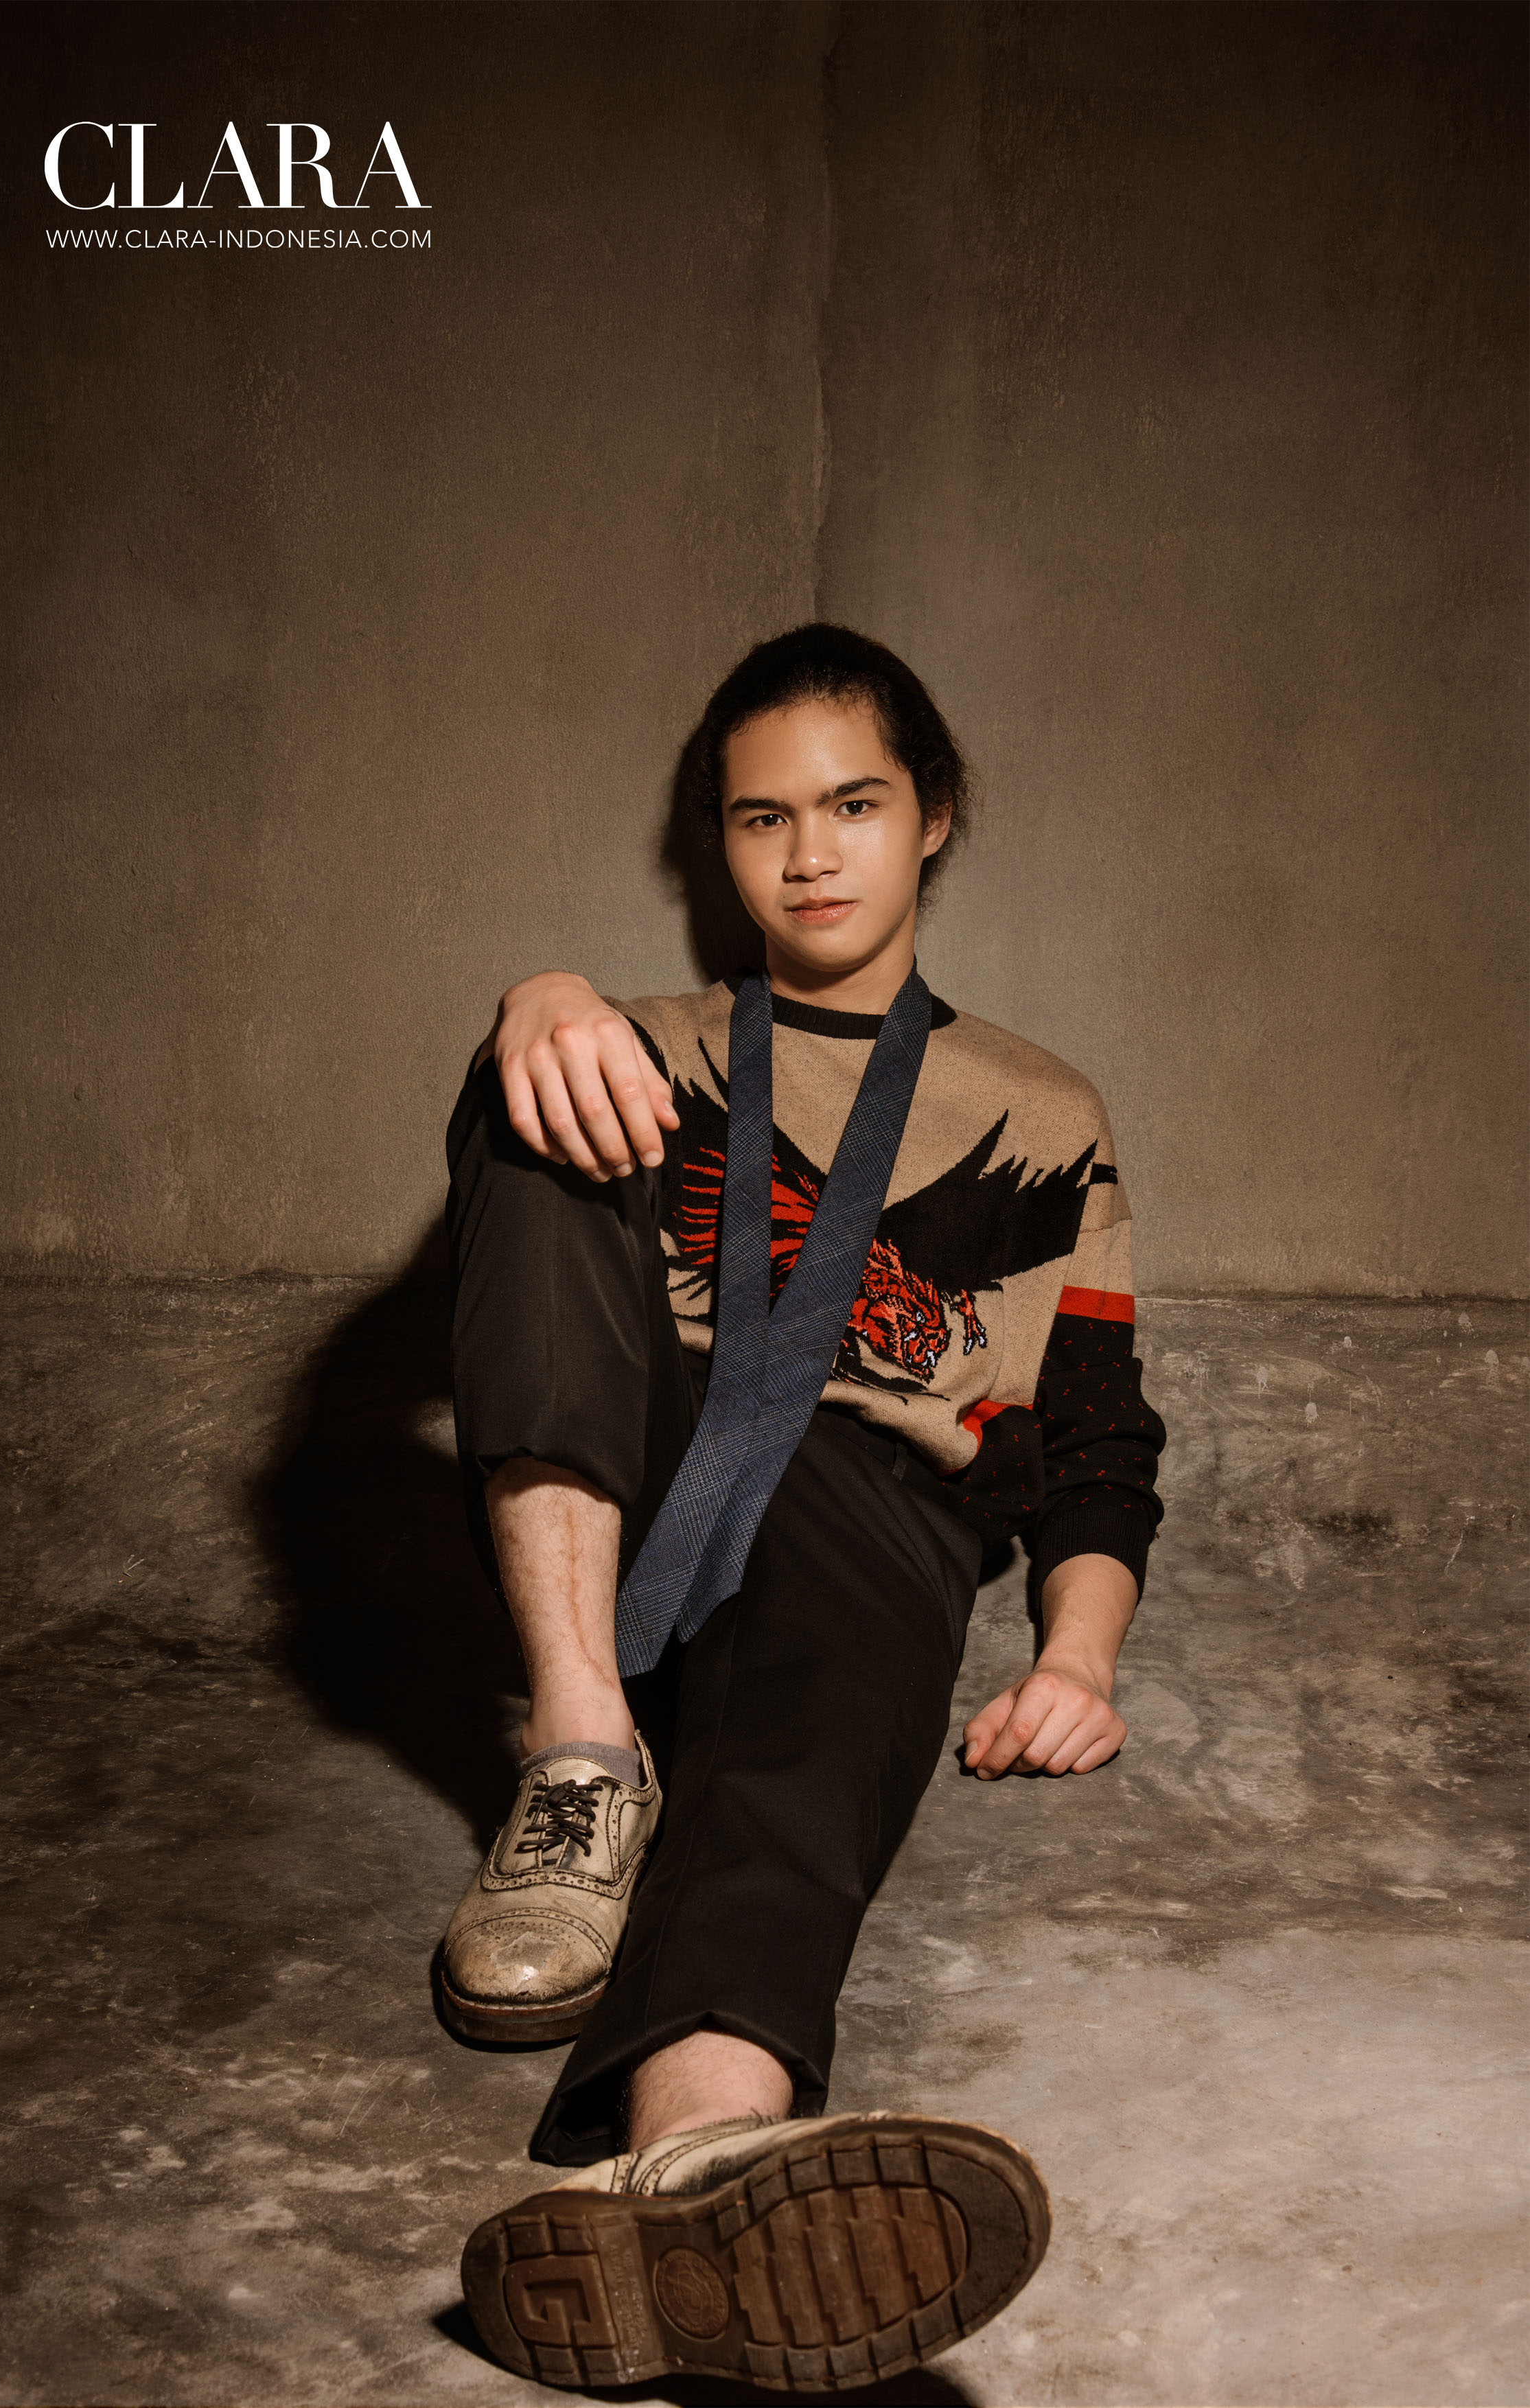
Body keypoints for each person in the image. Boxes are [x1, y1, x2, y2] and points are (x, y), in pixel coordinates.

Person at [441, 624, 1166, 2393]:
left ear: (934, 816)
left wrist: (1079, 1656)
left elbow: (1099, 1441)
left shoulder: (1044, 1111)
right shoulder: (644, 1049)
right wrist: (535, 1001)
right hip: (628, 1484)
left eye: (855, 805)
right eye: (762, 817)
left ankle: (700, 2176)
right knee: (544, 1096)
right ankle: (583, 1755)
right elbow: (540, 1229)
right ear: (721, 841)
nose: (810, 854)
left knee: (803, 1741)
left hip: (867, 1493)